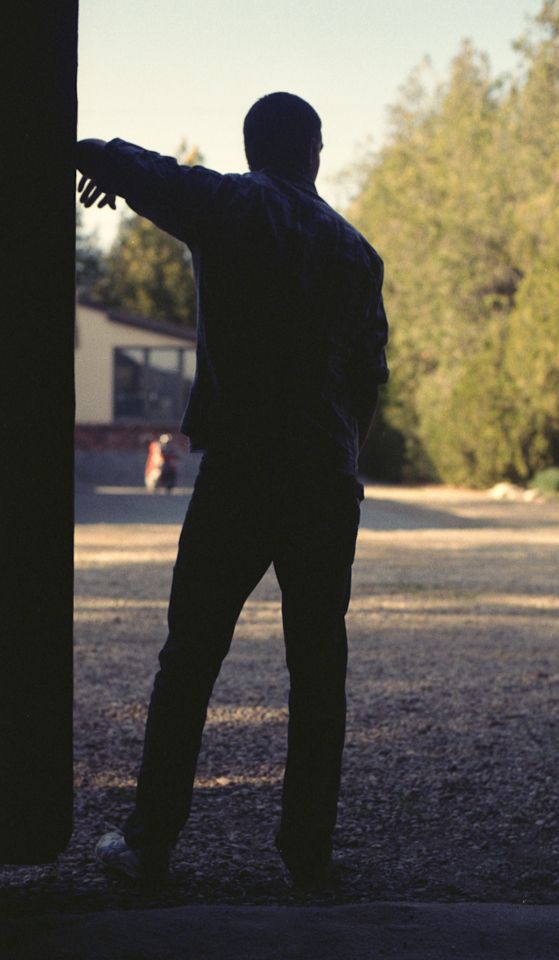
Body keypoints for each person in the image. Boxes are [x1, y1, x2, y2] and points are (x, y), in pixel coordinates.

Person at [76, 92, 389, 890]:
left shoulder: (231, 205)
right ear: (313, 149)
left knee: (190, 658)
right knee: (319, 668)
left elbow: (155, 176)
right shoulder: (357, 253)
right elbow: (367, 383)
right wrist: (342, 453)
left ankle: (149, 845)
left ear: (253, 148)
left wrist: (92, 156)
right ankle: (309, 855)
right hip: (324, 476)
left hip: (243, 468)